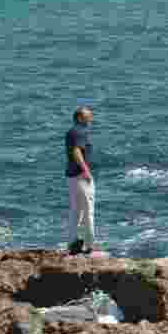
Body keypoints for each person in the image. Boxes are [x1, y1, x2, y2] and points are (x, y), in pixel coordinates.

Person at [65, 107, 95, 255]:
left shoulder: (72, 131)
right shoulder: (80, 132)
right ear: (80, 118)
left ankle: (72, 243)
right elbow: (76, 151)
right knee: (88, 211)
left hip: (71, 176)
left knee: (75, 211)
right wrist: (86, 170)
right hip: (81, 177)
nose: (91, 118)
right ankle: (89, 245)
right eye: (88, 116)